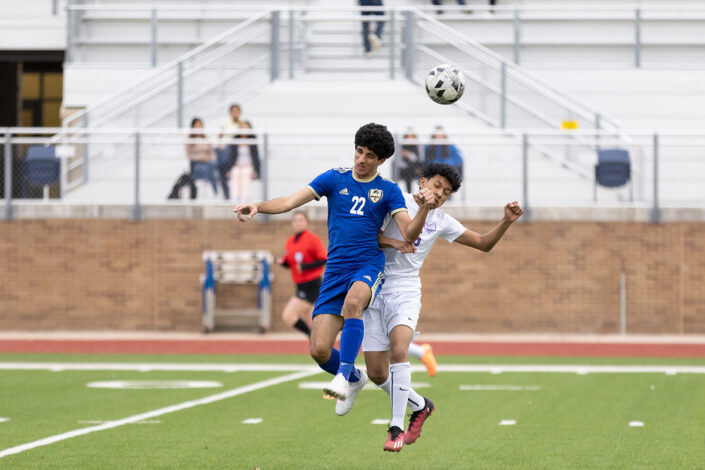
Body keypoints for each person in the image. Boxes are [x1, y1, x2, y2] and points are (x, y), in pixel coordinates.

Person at [234, 123, 437, 408]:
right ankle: (354, 377)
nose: (361, 159)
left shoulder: (388, 190)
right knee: (318, 350)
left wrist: (425, 210)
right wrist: (258, 206)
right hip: (336, 270)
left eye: (369, 156)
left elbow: (409, 233)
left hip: (368, 265)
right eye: (359, 151)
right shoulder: (334, 178)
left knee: (354, 302)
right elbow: (291, 200)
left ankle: (342, 375)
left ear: (382, 160)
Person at [339, 163, 523, 452]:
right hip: (373, 284)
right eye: (437, 186)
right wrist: (394, 242)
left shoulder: (442, 221)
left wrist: (506, 221)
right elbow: (363, 237)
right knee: (376, 373)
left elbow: (484, 244)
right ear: (422, 181)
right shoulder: (393, 200)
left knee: (399, 350)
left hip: (405, 291)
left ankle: (396, 427)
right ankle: (422, 405)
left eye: (446, 192)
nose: (440, 194)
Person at [277, 211, 327, 337]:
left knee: (288, 315)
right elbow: (290, 263)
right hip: (299, 284)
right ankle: (320, 342)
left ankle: (311, 336)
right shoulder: (290, 241)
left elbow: (323, 259)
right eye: (295, 220)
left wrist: (306, 266)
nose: (298, 223)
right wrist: (281, 262)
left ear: (307, 223)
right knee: (311, 319)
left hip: (311, 283)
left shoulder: (312, 239)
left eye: (301, 220)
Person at [167, 117, 216, 200]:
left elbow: (212, 153)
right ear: (193, 126)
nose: (199, 127)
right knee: (202, 168)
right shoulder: (189, 138)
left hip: (207, 162)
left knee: (211, 165)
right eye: (197, 125)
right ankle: (210, 188)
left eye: (200, 125)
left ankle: (208, 187)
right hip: (196, 162)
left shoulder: (206, 138)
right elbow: (189, 155)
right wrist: (201, 157)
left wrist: (209, 158)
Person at [226, 121, 260, 202]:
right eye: (242, 127)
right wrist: (229, 169)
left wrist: (256, 170)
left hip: (249, 166)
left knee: (245, 174)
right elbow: (231, 156)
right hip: (237, 165)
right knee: (235, 173)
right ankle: (234, 197)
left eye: (246, 127)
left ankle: (244, 197)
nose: (244, 129)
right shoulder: (235, 140)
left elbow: (255, 157)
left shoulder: (253, 140)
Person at [396, 129, 424, 193]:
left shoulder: (418, 146)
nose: (410, 138)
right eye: (408, 136)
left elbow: (420, 159)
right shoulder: (401, 146)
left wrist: (409, 155)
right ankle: (409, 193)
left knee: (421, 168)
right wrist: (409, 165)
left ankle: (422, 192)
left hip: (416, 168)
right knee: (407, 173)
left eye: (411, 136)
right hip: (406, 169)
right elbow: (399, 162)